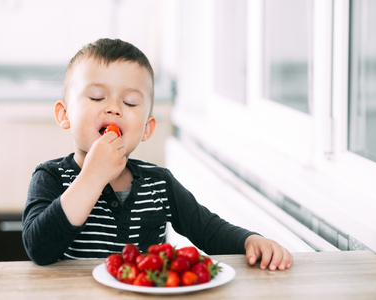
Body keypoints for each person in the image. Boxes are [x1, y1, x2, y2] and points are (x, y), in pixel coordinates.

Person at [22, 38, 293, 271]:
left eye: (129, 102)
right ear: (64, 114)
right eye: (96, 97)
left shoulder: (159, 183)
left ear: (147, 128)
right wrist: (92, 177)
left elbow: (208, 229)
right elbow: (38, 248)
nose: (114, 108)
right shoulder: (51, 177)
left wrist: (250, 241)